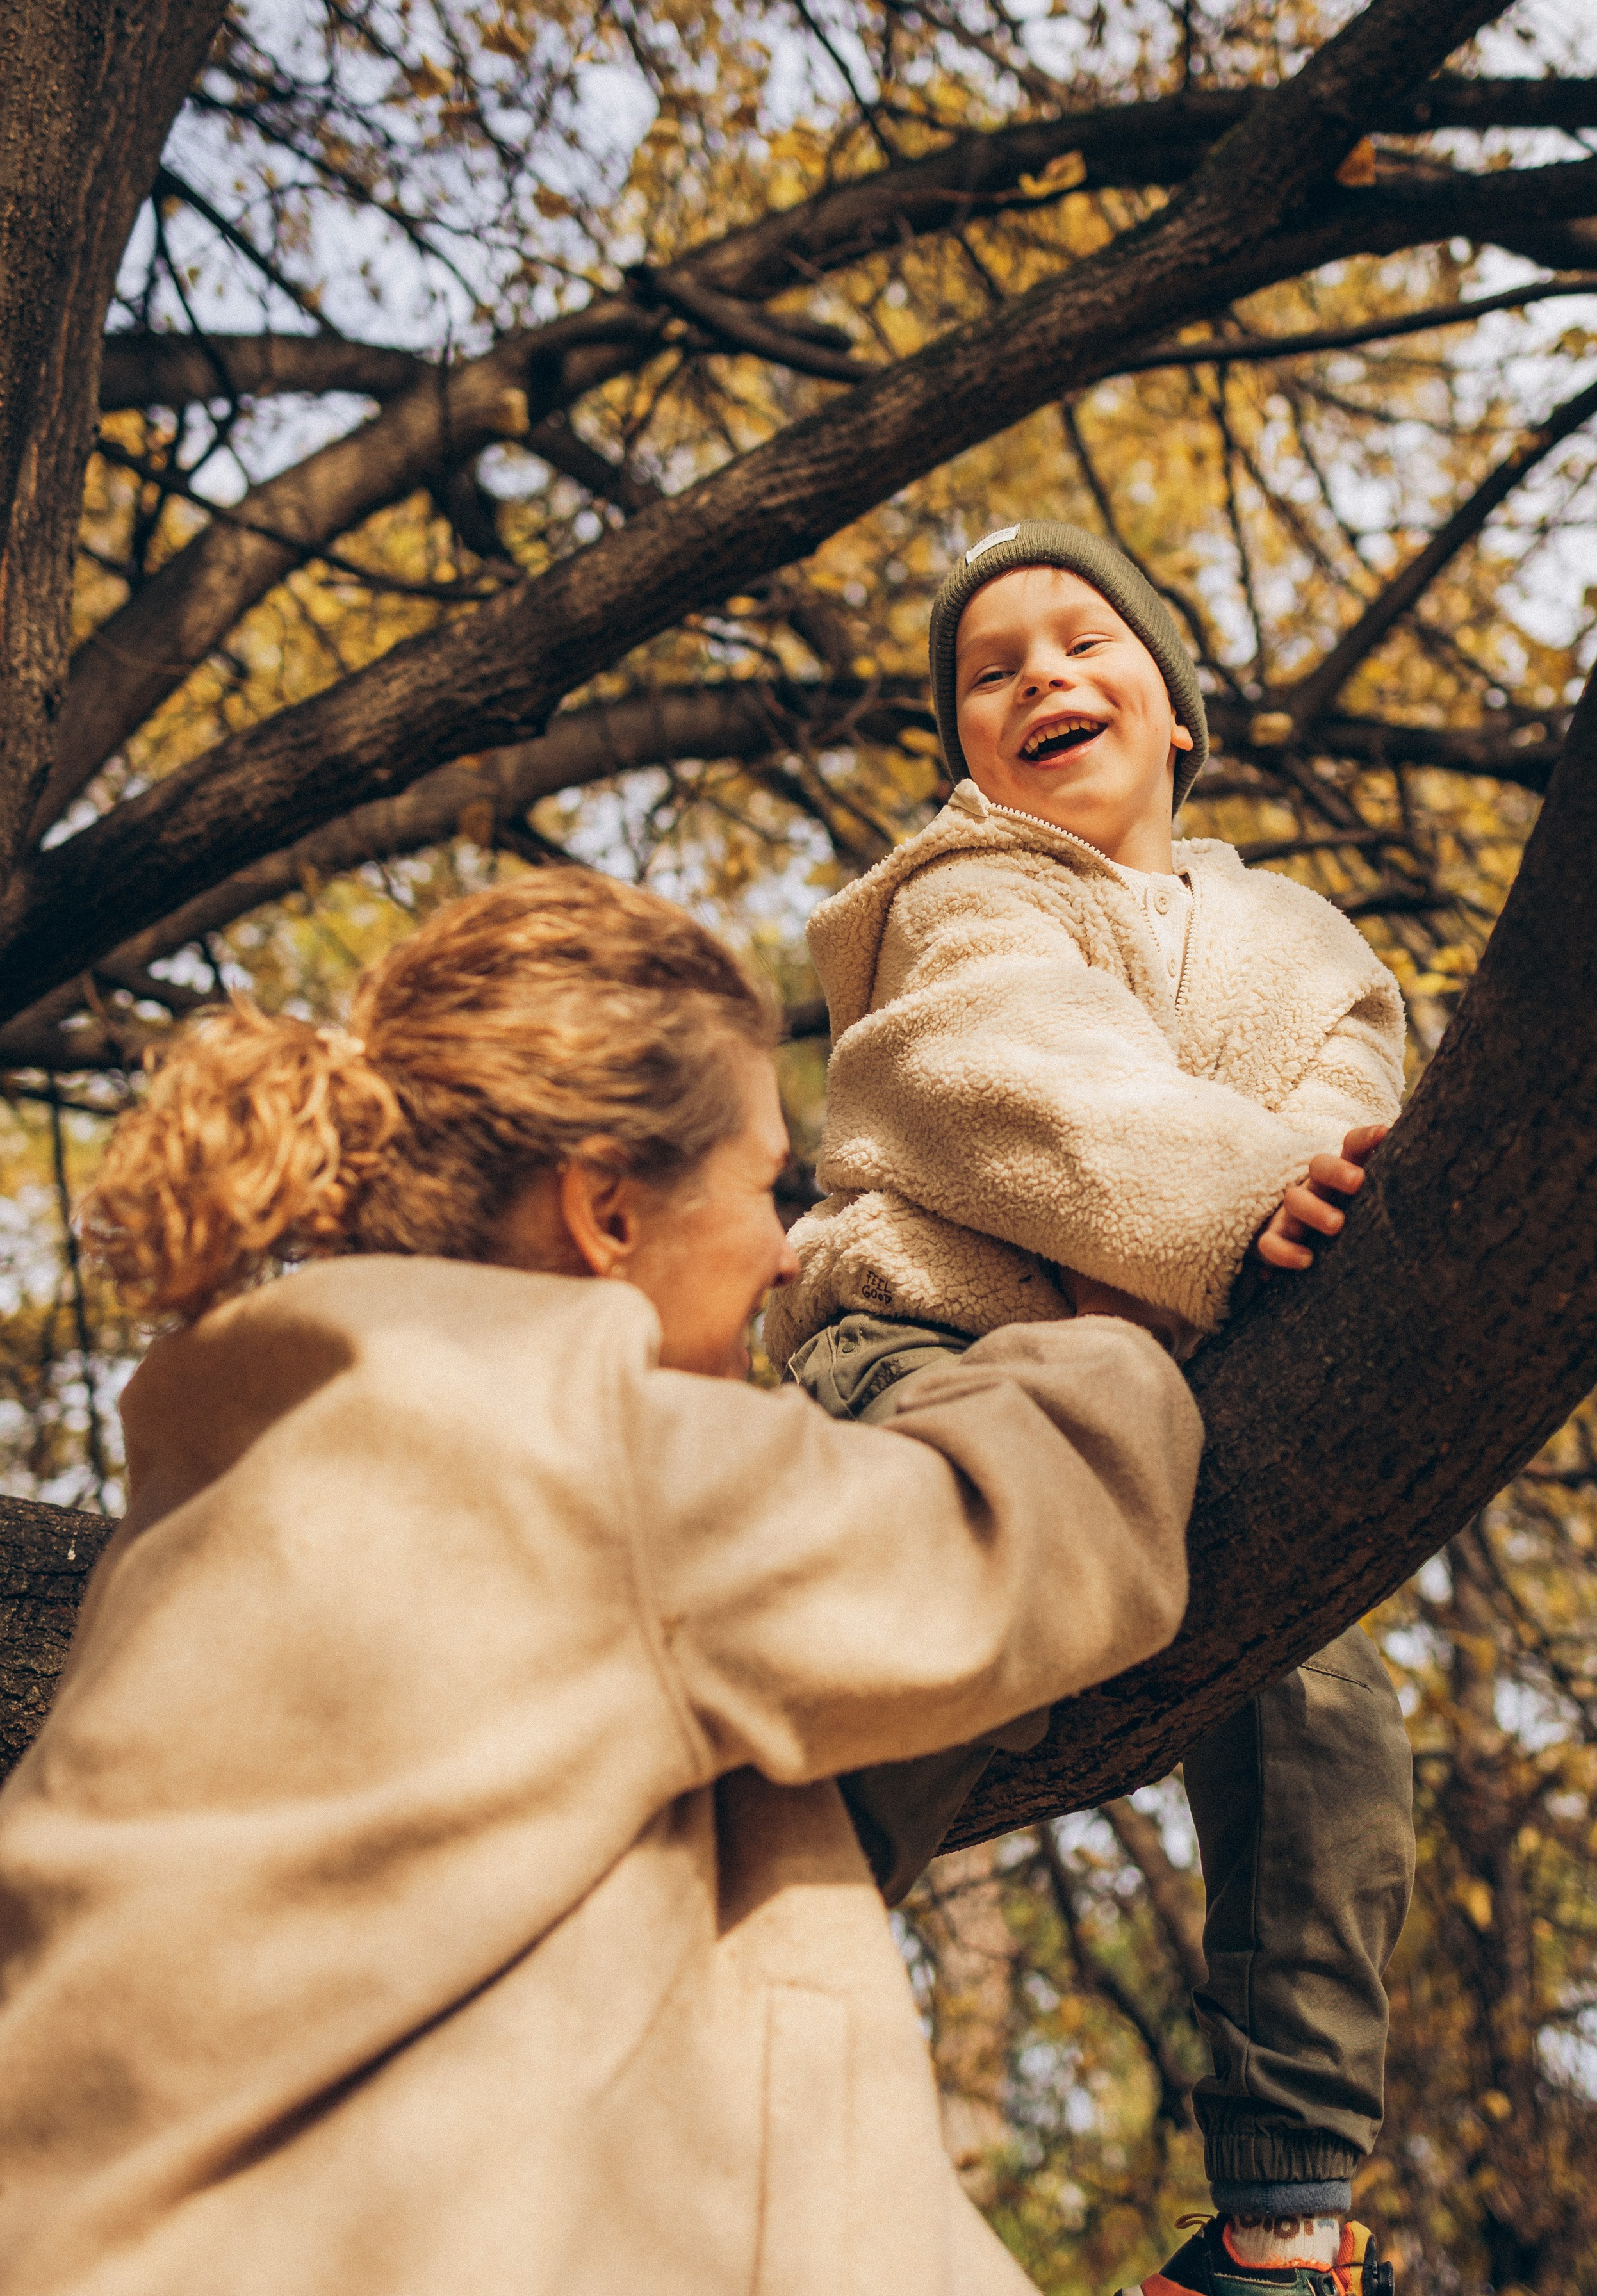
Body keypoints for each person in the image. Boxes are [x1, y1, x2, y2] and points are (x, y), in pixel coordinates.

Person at [0, 868, 1201, 2296]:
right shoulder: (571, 1447)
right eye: (768, 1185)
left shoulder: (215, 1506)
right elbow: (1003, 1543)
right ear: (606, 1213)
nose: (785, 1252)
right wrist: (1111, 1340)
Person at [763, 523, 1413, 2296]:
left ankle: (1283, 2220)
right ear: (971, 747)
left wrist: (1289, 1184)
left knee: (1336, 1697)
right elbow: (1014, 1085)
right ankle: (723, 1997)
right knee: (938, 1612)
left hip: (1187, 1423)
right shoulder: (969, 888)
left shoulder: (1308, 940)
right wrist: (1235, 1192)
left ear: (1178, 708)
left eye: (1082, 641)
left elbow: (1356, 1113)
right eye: (994, 669)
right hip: (933, 1355)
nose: (1043, 677)